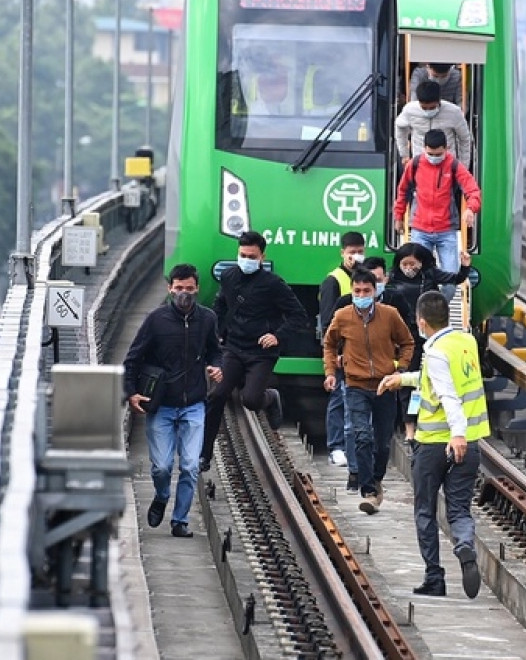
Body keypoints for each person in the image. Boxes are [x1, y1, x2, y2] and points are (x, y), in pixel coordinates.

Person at [378, 291, 490, 599]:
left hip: (436, 445)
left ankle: (434, 577)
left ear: (421, 322)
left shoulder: (437, 351)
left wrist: (455, 435)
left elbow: (448, 395)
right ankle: (464, 544)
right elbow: (436, 380)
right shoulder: (464, 342)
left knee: (425, 510)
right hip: (470, 442)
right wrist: (402, 379)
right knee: (459, 509)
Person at [123, 264, 224, 539]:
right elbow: (133, 358)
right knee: (162, 467)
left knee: (190, 466)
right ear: (170, 289)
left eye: (189, 289)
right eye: (179, 289)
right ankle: (161, 494)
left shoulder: (208, 319)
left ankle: (180, 520)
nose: (184, 294)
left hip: (194, 403)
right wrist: (131, 393)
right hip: (162, 405)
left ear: (197, 288)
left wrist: (218, 366)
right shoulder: (156, 320)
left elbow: (216, 351)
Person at [200, 231, 307, 471]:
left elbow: (298, 316)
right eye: (242, 255)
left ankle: (270, 398)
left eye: (251, 256)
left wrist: (277, 335)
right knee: (217, 396)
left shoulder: (274, 284)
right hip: (233, 347)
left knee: (250, 400)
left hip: (261, 352)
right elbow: (221, 304)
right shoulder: (228, 276)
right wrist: (217, 331)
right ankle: (203, 455)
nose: (246, 259)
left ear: (262, 257)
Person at [322, 270, 414, 514]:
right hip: (355, 384)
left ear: (375, 291)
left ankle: (376, 478)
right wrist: (331, 372)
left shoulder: (390, 315)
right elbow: (329, 343)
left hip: (385, 385)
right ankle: (369, 491)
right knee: (362, 435)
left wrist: (400, 369)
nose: (361, 295)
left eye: (366, 291)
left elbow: (408, 342)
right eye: (357, 291)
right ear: (351, 291)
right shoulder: (342, 316)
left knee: (382, 443)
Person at [385, 243, 473, 442]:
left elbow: (456, 279)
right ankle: (408, 428)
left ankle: (422, 423)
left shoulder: (430, 275)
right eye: (404, 264)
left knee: (424, 380)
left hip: (426, 335)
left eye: (412, 264)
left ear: (421, 262)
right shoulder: (392, 279)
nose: (408, 268)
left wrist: (465, 266)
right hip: (401, 337)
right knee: (405, 381)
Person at [393, 128, 482, 302]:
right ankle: (419, 313)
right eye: (430, 153)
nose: (434, 157)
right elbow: (402, 192)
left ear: (446, 148)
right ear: (424, 148)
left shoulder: (454, 166)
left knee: (450, 283)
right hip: (420, 229)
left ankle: (438, 310)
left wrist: (471, 208)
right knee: (418, 277)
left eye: (438, 153)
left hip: (446, 231)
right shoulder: (415, 164)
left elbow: (473, 190)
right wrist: (398, 217)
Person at [318, 232, 367, 471]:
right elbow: (328, 321)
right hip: (341, 352)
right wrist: (334, 353)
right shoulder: (333, 281)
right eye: (351, 252)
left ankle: (352, 447)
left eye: (359, 251)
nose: (356, 256)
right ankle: (335, 447)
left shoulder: (363, 279)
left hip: (359, 351)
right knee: (338, 398)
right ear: (342, 252)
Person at [395, 81, 473, 170]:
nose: (428, 111)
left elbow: (464, 139)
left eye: (432, 107)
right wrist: (404, 154)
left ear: (439, 100)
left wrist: (463, 166)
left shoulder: (454, 112)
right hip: (420, 163)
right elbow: (400, 129)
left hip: (447, 164)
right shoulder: (409, 110)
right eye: (423, 108)